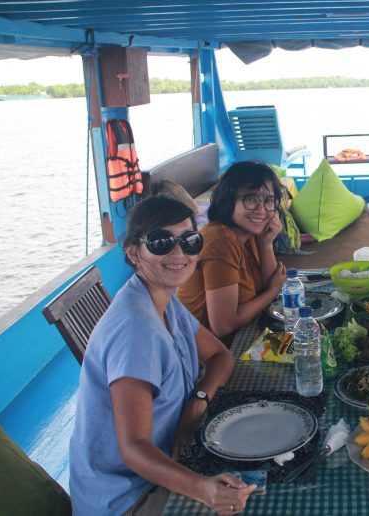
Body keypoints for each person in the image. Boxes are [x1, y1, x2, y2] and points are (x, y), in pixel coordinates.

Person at [70, 196, 255, 515]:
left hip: (171, 454)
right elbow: (133, 449)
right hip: (128, 494)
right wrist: (205, 490)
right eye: (161, 242)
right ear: (133, 252)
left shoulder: (163, 300)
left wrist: (197, 402)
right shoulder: (136, 331)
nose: (179, 253)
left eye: (190, 240)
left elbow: (221, 357)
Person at [178, 162, 287, 346]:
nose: (262, 210)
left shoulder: (249, 232)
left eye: (269, 200)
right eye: (251, 199)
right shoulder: (220, 240)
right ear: (229, 200)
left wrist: (266, 243)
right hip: (205, 353)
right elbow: (223, 325)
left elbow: (267, 285)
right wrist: (272, 291)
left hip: (237, 335)